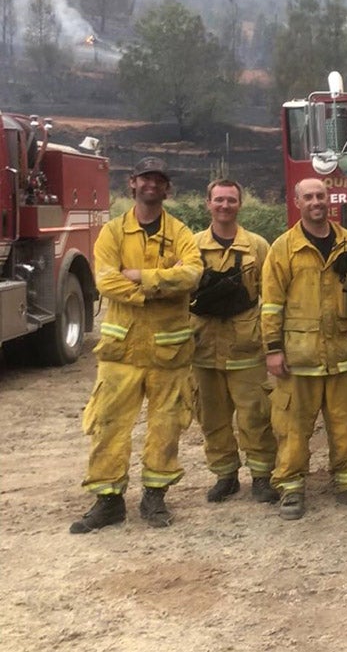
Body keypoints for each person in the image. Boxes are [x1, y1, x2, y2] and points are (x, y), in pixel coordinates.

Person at [69, 157, 202, 533]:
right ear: (132, 184)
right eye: (145, 179)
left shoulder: (181, 233)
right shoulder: (112, 233)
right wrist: (155, 290)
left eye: (158, 180)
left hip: (169, 352)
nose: (151, 186)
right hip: (121, 350)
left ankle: (155, 499)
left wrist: (141, 276)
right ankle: (108, 502)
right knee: (108, 424)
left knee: (166, 426)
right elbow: (106, 282)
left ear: (167, 189)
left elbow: (191, 274)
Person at [261, 178, 347, 520]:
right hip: (300, 355)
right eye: (309, 196)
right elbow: (271, 303)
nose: (316, 202)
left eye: (321, 196)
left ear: (330, 200)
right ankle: (292, 487)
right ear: (297, 201)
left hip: (342, 351)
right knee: (293, 425)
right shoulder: (283, 247)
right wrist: (273, 349)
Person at [190, 178, 279, 504]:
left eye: (231, 200)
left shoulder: (257, 246)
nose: (224, 206)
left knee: (255, 414)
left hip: (246, 345)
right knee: (211, 416)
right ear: (208, 204)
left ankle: (261, 476)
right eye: (219, 200)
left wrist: (272, 343)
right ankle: (225, 475)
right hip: (204, 345)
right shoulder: (192, 246)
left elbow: (270, 298)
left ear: (240, 204)